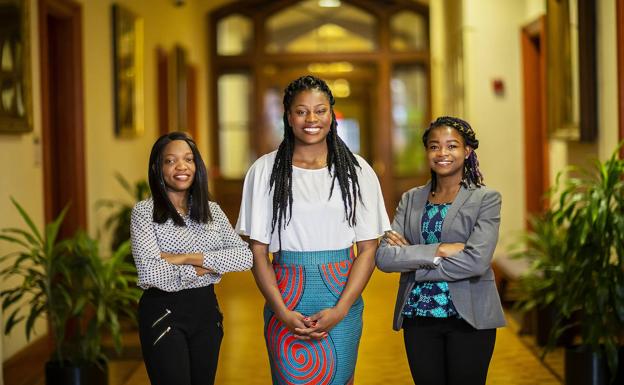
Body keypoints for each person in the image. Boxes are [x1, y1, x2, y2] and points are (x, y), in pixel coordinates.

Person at [236, 75, 390, 384]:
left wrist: (341, 309)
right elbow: (258, 251)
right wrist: (281, 311)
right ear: (288, 116)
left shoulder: (357, 171)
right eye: (301, 111)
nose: (311, 119)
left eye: (320, 110)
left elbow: (369, 249)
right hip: (285, 297)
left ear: (331, 115)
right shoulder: (264, 170)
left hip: (340, 295)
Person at [375, 116, 505, 385]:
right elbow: (385, 257)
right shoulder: (411, 199)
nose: (442, 153)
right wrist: (441, 249)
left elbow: (477, 261)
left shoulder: (486, 199)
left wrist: (415, 260)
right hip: (418, 316)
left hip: (469, 318)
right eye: (434, 147)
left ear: (467, 151)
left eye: (452, 146)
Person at [130, 131, 253, 385]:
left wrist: (184, 258)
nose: (181, 167)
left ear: (196, 166)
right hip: (162, 312)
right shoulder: (144, 213)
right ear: (157, 168)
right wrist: (211, 267)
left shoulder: (212, 211)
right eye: (170, 161)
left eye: (188, 159)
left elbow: (244, 257)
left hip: (206, 313)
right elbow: (150, 272)